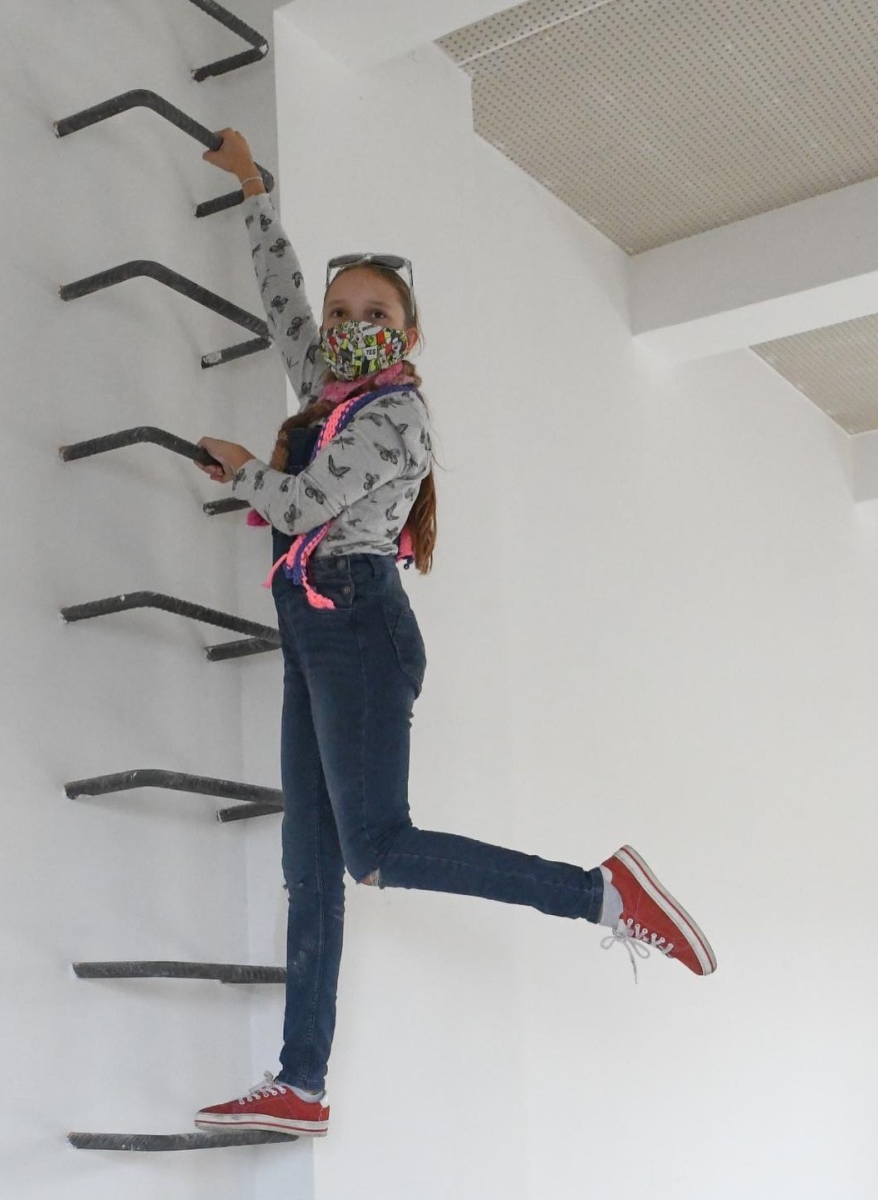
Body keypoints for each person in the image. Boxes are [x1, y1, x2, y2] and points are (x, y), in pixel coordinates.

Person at [190, 130, 716, 1139]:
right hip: (312, 626)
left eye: (375, 316)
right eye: (343, 315)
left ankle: (601, 893)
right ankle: (301, 1083)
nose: (350, 329)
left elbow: (300, 505)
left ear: (410, 335)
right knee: (311, 866)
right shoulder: (330, 395)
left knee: (378, 850)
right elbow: (284, 302)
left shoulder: (395, 421)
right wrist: (253, 189)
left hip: (357, 625)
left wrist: (241, 467)